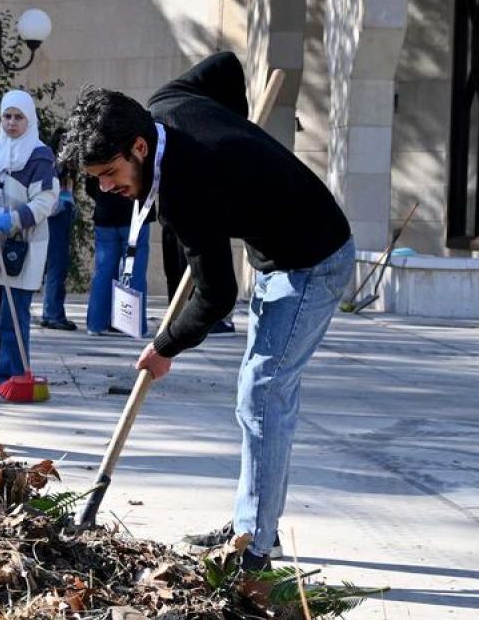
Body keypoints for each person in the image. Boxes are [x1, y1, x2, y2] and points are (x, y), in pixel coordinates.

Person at [59, 52, 354, 580]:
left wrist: (165, 345)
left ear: (140, 146)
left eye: (111, 174)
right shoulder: (164, 105)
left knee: (263, 391)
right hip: (278, 251)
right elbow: (224, 65)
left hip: (313, 258)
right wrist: (239, 138)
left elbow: (217, 294)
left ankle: (256, 548)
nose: (107, 189)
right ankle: (251, 521)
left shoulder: (186, 191)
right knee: (259, 394)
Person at [0, 90, 58, 385]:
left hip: (23, 246)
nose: (11, 123)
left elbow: (46, 203)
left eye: (18, 117)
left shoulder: (40, 155)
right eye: (7, 116)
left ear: (29, 120)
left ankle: (15, 374)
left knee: (12, 317)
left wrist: (12, 220)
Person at [84, 178, 150, 336]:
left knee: (103, 271)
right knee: (135, 271)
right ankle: (133, 324)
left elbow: (90, 186)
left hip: (105, 212)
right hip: (135, 213)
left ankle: (96, 323)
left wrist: (103, 197)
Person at [39, 128, 77, 331]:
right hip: (58, 213)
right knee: (57, 264)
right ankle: (53, 313)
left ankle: (52, 312)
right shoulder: (57, 162)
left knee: (57, 264)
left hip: (61, 211)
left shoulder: (55, 161)